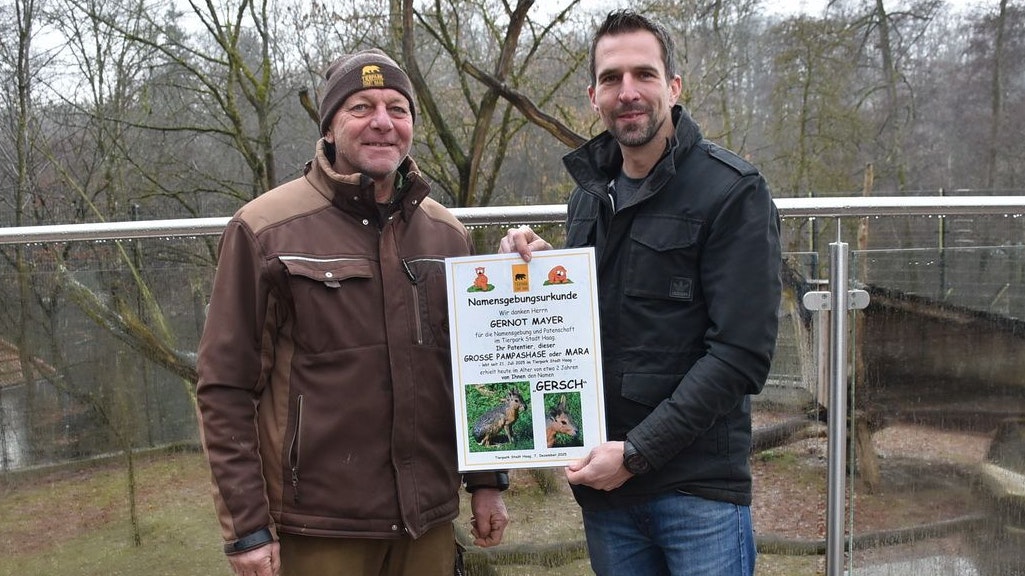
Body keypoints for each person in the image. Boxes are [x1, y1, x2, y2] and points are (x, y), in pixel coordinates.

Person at [196, 48, 509, 576]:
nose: (383, 122)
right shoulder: (265, 231)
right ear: (329, 125)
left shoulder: (447, 234)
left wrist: (486, 483)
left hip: (426, 523)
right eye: (361, 107)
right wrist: (247, 528)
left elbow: (477, 373)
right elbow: (225, 387)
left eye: (397, 108)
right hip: (319, 528)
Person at [500, 11, 782, 576]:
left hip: (697, 489)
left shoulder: (732, 192)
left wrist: (636, 455)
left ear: (673, 87)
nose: (627, 92)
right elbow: (606, 312)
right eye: (611, 78)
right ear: (593, 96)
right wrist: (539, 278)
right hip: (609, 494)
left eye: (644, 74)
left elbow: (739, 356)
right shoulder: (588, 198)